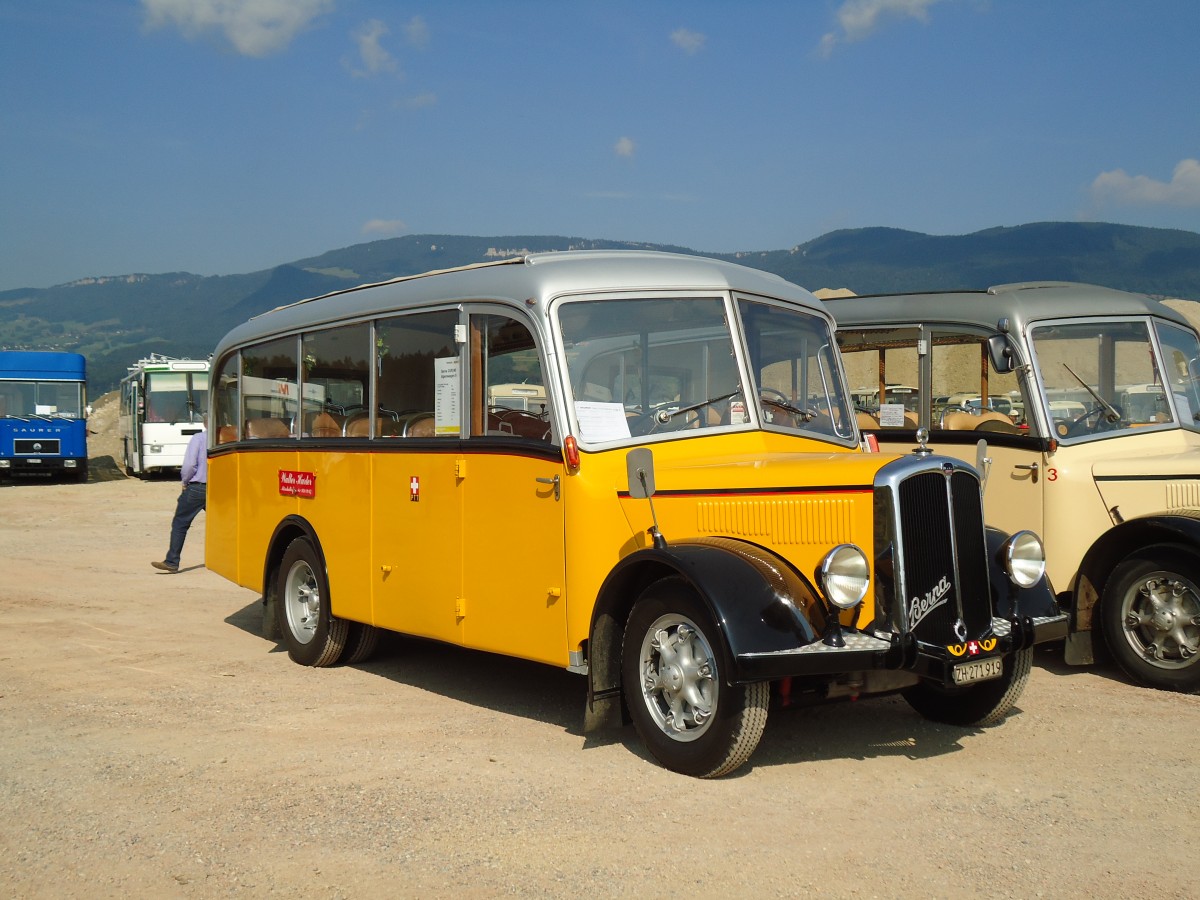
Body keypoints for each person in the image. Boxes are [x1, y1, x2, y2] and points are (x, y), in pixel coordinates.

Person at [152, 424, 207, 573]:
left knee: (180, 523)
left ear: (205, 423)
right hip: (221, 489)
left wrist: (184, 482)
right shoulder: (228, 439)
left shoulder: (199, 438)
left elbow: (189, 466)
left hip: (198, 487)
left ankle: (172, 561)